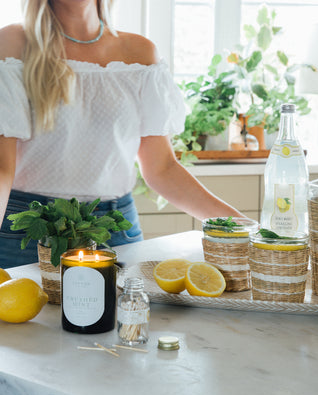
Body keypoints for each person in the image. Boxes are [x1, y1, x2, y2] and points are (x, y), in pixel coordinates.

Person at [0, 0, 244, 268]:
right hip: (27, 232)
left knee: (125, 311)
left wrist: (241, 228)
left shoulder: (139, 53)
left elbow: (162, 168)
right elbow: (2, 170)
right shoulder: (12, 44)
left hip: (114, 230)